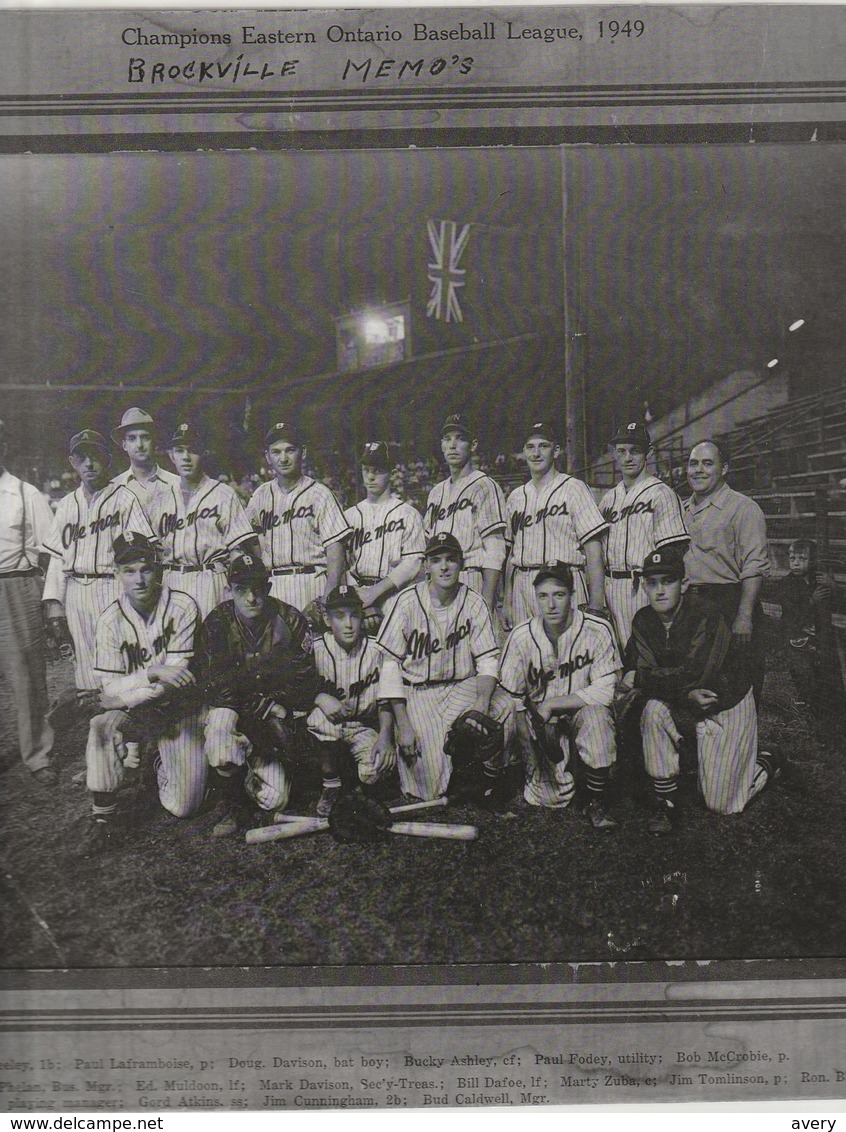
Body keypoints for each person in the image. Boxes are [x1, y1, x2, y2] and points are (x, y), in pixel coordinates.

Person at [620, 548, 778, 835]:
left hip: (725, 701)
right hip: (686, 702)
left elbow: (694, 673)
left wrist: (644, 678)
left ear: (684, 584)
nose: (659, 591)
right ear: (644, 586)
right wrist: (671, 689)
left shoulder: (706, 612)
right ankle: (664, 802)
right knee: (652, 709)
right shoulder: (643, 620)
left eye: (667, 581)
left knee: (722, 804)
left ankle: (768, 761)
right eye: (652, 583)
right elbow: (653, 674)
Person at [76, 533, 205, 856]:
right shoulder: (109, 620)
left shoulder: (182, 605)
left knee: (184, 807)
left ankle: (154, 759)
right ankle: (103, 814)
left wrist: (127, 696)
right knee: (102, 725)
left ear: (158, 569)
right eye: (129, 570)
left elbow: (178, 679)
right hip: (138, 704)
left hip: (178, 706)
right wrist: (150, 672)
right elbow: (109, 690)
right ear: (117, 573)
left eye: (145, 569)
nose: (139, 579)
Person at [374, 532, 514, 802]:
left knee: (503, 705)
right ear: (426, 565)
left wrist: (482, 702)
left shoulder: (474, 602)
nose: (444, 566)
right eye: (436, 560)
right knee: (427, 790)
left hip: (461, 687)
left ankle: (486, 781)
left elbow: (487, 660)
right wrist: (403, 725)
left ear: (461, 564)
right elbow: (390, 666)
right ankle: (457, 768)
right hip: (418, 693)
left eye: (451, 559)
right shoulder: (405, 602)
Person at [198, 552, 323, 834]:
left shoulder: (290, 618)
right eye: (242, 590)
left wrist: (274, 708)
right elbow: (216, 683)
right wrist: (263, 707)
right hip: (234, 711)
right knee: (220, 739)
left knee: (275, 800)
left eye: (257, 589)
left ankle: (247, 763)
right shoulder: (217, 622)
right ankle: (233, 802)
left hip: (275, 712)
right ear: (229, 590)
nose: (251, 598)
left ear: (267, 587)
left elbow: (304, 679)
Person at [498, 563, 621, 827]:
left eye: (559, 595)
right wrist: (528, 749)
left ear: (572, 595)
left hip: (581, 714)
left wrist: (553, 704)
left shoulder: (597, 628)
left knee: (598, 719)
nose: (551, 604)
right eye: (543, 596)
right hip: (541, 725)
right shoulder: (521, 636)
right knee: (549, 799)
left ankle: (595, 800)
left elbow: (605, 690)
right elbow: (514, 699)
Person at [41, 430, 155, 694]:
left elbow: (143, 550)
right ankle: (94, 721)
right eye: (82, 457)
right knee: (85, 665)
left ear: (106, 459)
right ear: (72, 462)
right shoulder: (67, 504)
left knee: (123, 657)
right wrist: (54, 606)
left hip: (113, 587)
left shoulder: (125, 498)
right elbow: (57, 558)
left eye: (95, 456)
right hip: (75, 591)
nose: (89, 464)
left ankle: (125, 723)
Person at [683, 439, 769, 704]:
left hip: (729, 602)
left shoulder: (743, 508)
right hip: (690, 604)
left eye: (707, 463)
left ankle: (744, 744)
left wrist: (744, 615)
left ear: (724, 469)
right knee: (696, 684)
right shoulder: (679, 510)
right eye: (693, 463)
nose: (698, 470)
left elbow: (754, 565)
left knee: (737, 687)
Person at [504, 420, 608, 628]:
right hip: (523, 585)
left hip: (565, 581)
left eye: (543, 446)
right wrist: (507, 599)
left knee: (569, 653)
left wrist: (597, 604)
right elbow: (510, 554)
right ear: (524, 452)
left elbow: (593, 548)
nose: (536, 453)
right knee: (530, 656)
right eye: (530, 447)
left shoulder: (574, 488)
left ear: (556, 450)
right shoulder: (516, 497)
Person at [150, 421, 257, 618]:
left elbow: (239, 550)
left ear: (203, 453)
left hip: (211, 580)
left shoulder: (223, 493)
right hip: (171, 580)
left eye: (192, 451)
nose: (186, 457)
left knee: (212, 644)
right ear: (171, 456)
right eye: (179, 451)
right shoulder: (160, 500)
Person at [599, 421, 688, 652]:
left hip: (643, 587)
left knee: (648, 656)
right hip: (610, 586)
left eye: (635, 451)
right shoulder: (609, 499)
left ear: (648, 453)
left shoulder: (662, 494)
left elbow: (673, 552)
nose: (628, 458)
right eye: (621, 451)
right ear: (614, 454)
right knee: (614, 658)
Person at [0, 420, 57, 785]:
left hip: (15, 586)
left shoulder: (25, 493)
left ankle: (37, 754)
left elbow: (53, 552)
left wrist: (51, 601)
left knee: (26, 676)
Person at [307, 585, 396, 815]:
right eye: (339, 616)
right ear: (327, 619)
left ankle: (357, 786)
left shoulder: (377, 649)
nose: (348, 624)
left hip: (362, 726)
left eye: (354, 615)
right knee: (320, 719)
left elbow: (387, 698)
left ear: (362, 616)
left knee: (376, 769)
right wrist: (318, 697)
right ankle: (331, 785)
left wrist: (385, 738)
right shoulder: (315, 649)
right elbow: (297, 687)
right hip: (328, 725)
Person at [246, 421, 351, 612]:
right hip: (272, 584)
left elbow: (335, 547)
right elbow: (248, 541)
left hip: (311, 582)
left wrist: (330, 592)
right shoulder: (260, 496)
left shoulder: (320, 494)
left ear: (302, 452)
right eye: (276, 452)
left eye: (290, 450)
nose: (283, 458)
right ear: (268, 457)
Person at [424, 413, 506, 612]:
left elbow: (495, 551)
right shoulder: (436, 492)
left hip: (471, 577)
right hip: (439, 581)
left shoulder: (485, 485)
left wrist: (486, 601)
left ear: (473, 445)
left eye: (460, 438)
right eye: (447, 439)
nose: (453, 445)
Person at [343, 441, 425, 629]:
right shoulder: (349, 516)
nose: (371, 476)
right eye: (366, 470)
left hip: (395, 596)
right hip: (357, 597)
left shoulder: (408, 514)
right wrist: (357, 592)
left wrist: (374, 592)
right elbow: (344, 563)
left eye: (377, 470)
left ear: (391, 472)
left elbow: (412, 563)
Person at [110, 407, 179, 505]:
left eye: (145, 437)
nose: (139, 445)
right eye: (132, 438)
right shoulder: (113, 488)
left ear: (155, 442)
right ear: (124, 445)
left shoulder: (176, 483)